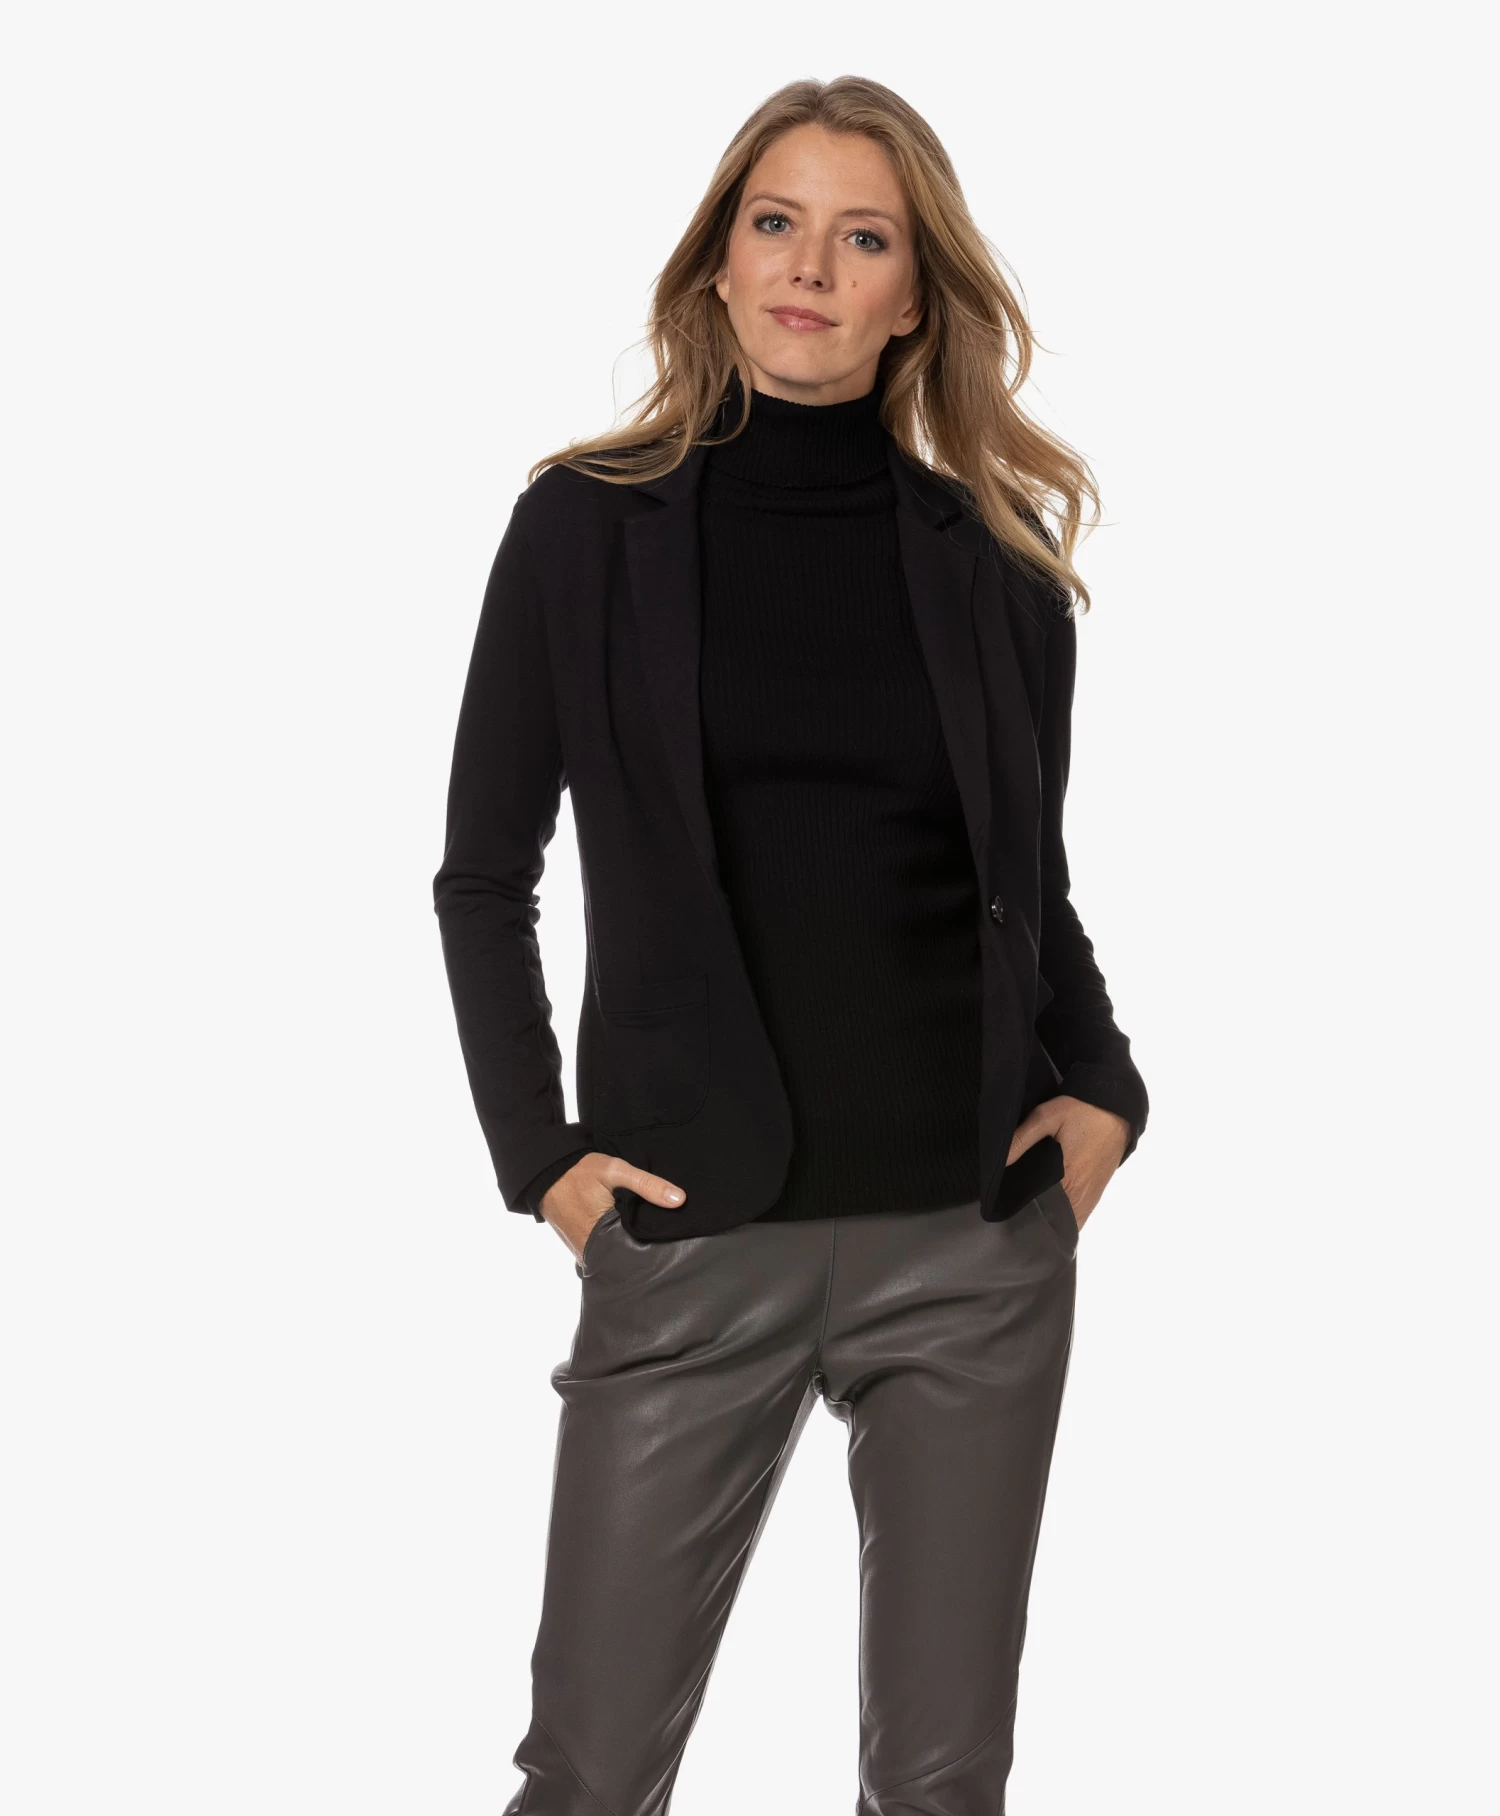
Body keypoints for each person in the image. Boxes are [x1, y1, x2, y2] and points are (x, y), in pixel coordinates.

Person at [433, 74, 1149, 1816]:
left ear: (915, 296)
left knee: (943, 1786)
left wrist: (1110, 1091)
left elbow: (1029, 888)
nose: (809, 268)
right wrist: (542, 1161)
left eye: (863, 237)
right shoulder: (584, 530)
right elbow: (483, 876)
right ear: (720, 259)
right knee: (589, 1772)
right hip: (692, 1237)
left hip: (968, 1242)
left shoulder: (999, 575)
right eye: (776, 223)